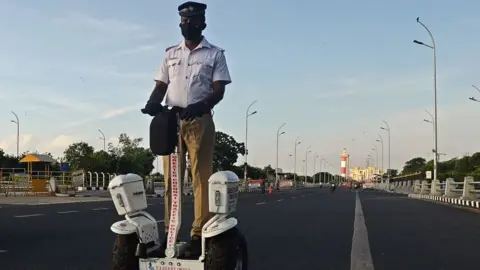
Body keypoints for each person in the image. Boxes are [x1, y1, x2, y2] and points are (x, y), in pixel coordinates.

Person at [142, 1, 231, 258]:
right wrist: (152, 102)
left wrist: (202, 105)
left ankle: (197, 235)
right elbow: (161, 85)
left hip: (199, 121)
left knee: (201, 179)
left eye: (191, 21)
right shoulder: (170, 53)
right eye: (183, 21)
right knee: (172, 183)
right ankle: (171, 235)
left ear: (202, 23)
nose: (186, 25)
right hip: (172, 122)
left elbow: (219, 90)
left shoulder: (214, 54)